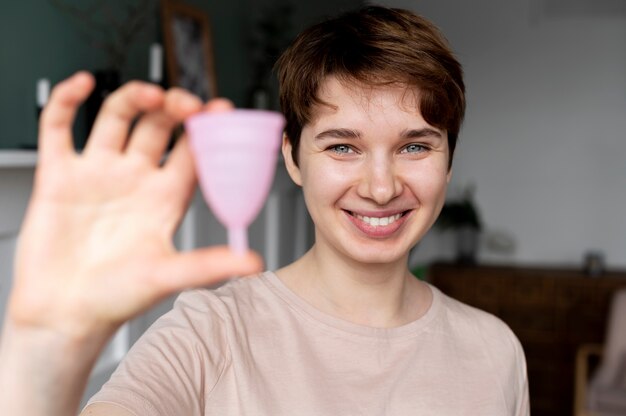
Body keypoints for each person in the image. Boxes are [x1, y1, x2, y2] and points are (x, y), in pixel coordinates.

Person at [0, 5, 529, 416]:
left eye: (415, 146)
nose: (381, 186)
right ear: (292, 159)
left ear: (449, 160)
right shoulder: (208, 332)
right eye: (342, 146)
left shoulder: (494, 349)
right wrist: (46, 352)